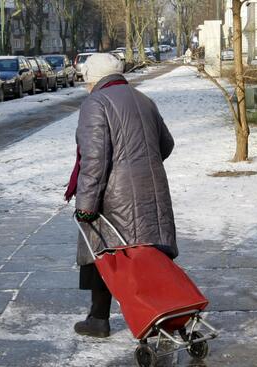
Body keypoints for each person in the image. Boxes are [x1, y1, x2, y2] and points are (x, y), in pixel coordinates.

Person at [64, 53, 177, 338]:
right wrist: (142, 164)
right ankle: (159, 318)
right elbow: (166, 144)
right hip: (151, 188)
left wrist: (86, 205)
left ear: (94, 79)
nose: (86, 87)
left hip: (114, 196)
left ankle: (98, 318)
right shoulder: (143, 99)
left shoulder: (96, 103)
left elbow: (94, 159)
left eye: (86, 81)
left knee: (104, 252)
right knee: (147, 255)